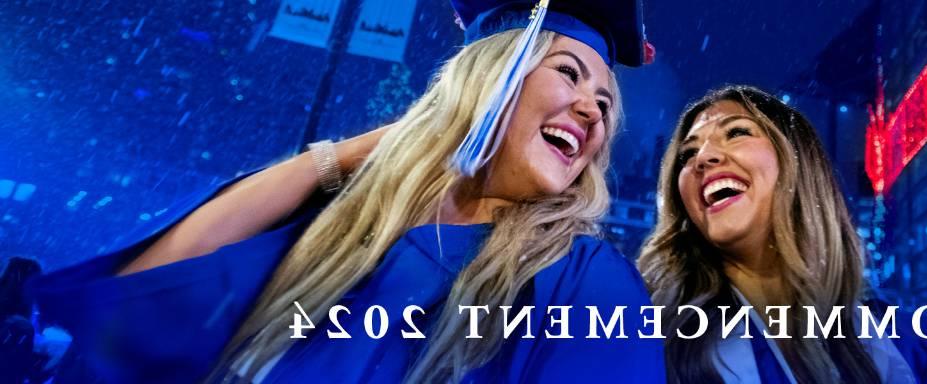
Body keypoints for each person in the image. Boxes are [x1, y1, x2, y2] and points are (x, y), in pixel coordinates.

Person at [26, 0, 664, 382]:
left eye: (606, 104)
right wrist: (354, 154)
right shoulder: (345, 233)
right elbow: (146, 296)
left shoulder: (582, 281)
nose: (593, 111)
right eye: (569, 73)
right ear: (491, 82)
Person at [638, 86, 915, 383]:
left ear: (797, 161)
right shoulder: (649, 335)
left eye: (735, 133)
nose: (703, 158)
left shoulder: (894, 338)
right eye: (688, 154)